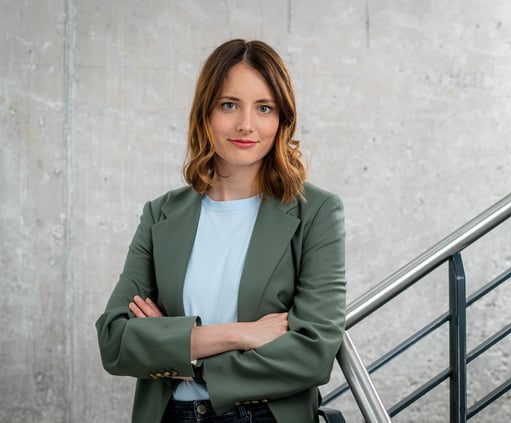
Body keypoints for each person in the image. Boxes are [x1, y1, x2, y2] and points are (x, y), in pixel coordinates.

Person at [96, 39, 347, 423]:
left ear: (281, 119)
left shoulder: (317, 212)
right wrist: (239, 334)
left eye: (264, 108)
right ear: (206, 113)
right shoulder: (160, 214)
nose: (246, 124)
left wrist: (182, 354)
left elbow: (313, 353)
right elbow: (114, 340)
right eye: (229, 105)